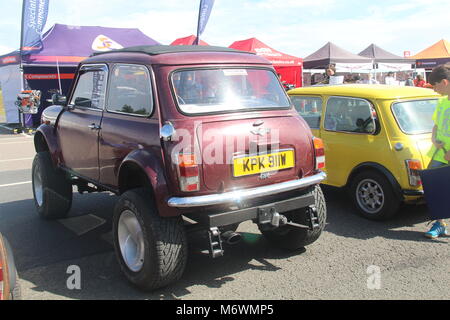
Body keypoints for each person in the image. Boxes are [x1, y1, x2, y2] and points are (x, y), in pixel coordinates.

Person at [423, 64, 450, 239]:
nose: (434, 90)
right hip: (440, 153)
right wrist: (433, 138)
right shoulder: (441, 102)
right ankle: (440, 224)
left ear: (445, 82)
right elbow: (436, 124)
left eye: (435, 86)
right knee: (435, 188)